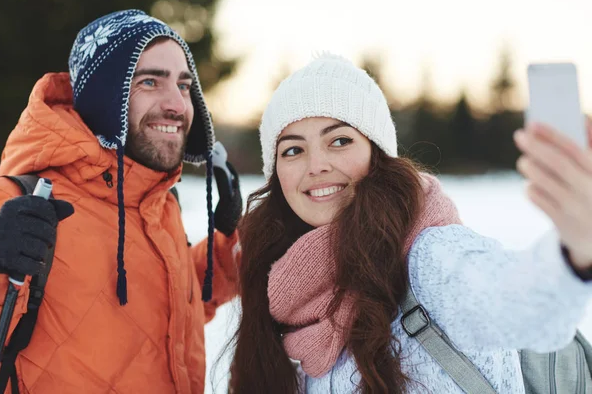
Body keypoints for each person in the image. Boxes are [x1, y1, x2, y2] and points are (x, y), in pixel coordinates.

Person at [228, 53, 592, 393]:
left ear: (377, 155)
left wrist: (575, 249)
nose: (316, 165)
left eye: (339, 140)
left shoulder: (429, 258)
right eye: (293, 149)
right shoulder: (277, 287)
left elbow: (516, 300)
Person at [0, 9, 242, 393]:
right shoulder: (16, 206)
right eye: (150, 82)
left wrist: (223, 245)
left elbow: (167, 309)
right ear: (103, 97)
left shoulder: (160, 205)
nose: (177, 104)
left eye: (184, 85)